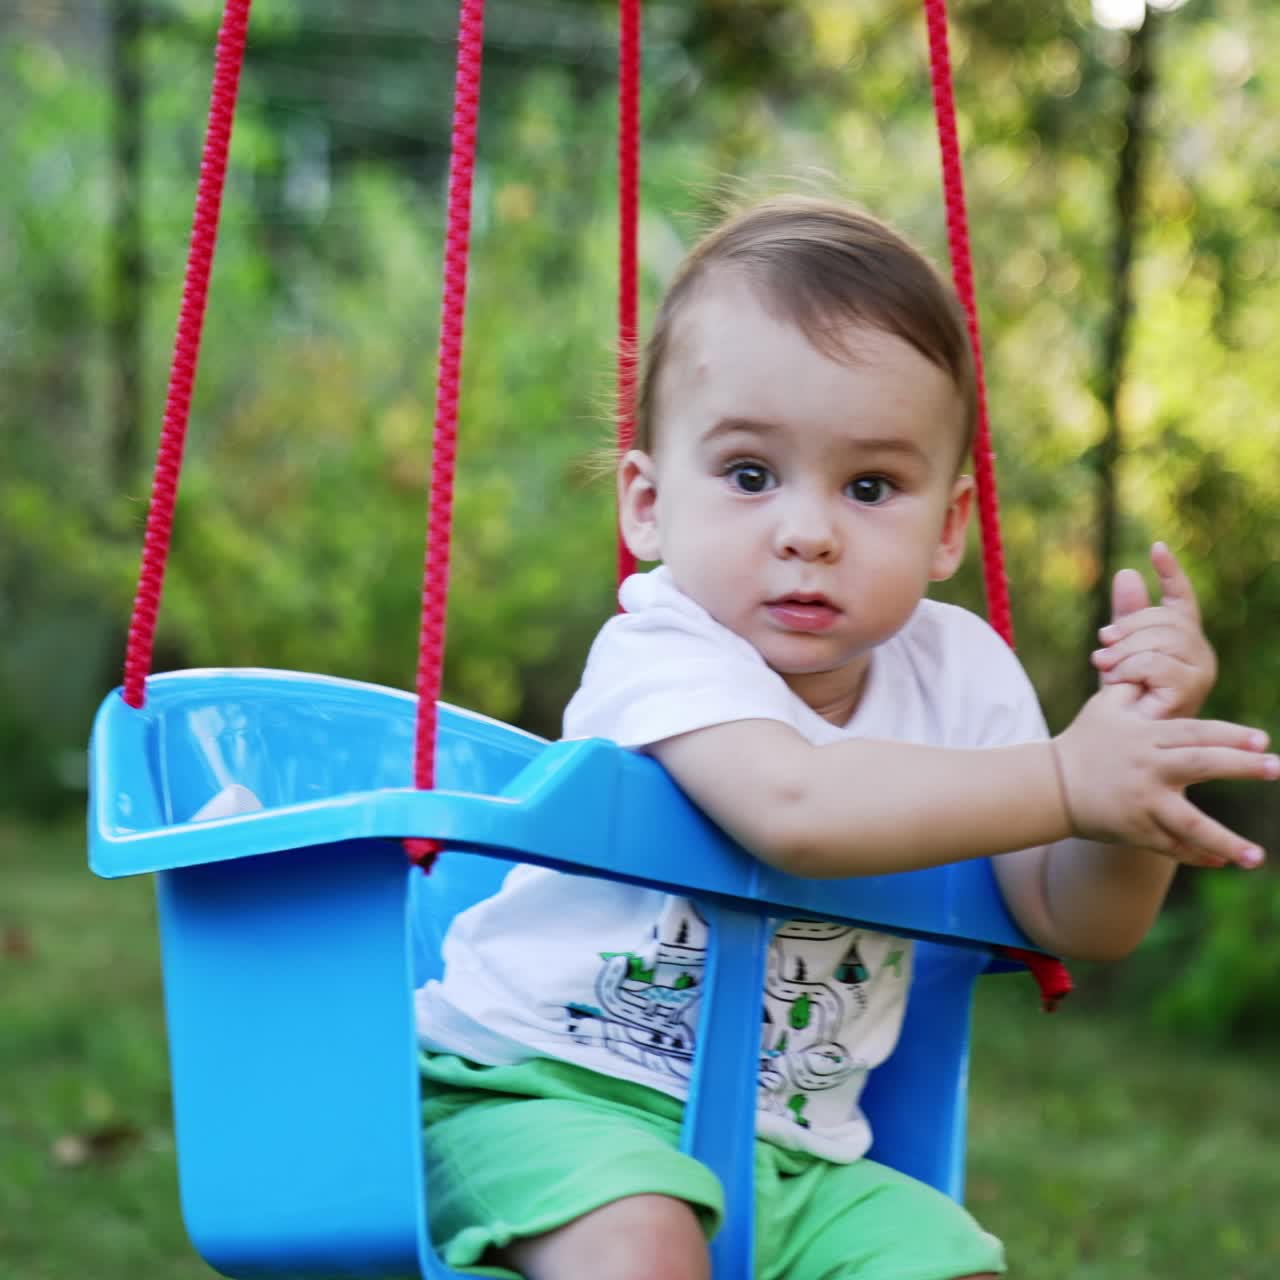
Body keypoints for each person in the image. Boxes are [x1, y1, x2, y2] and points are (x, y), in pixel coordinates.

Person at [413, 197, 1276, 1280]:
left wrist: (1128, 782)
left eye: (869, 486)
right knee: (638, 1249)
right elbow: (797, 811)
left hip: (793, 1153)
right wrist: (1062, 772)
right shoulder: (663, 646)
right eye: (748, 474)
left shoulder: (961, 676)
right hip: (542, 1092)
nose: (808, 530)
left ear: (947, 525)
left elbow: (1076, 917)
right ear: (645, 504)